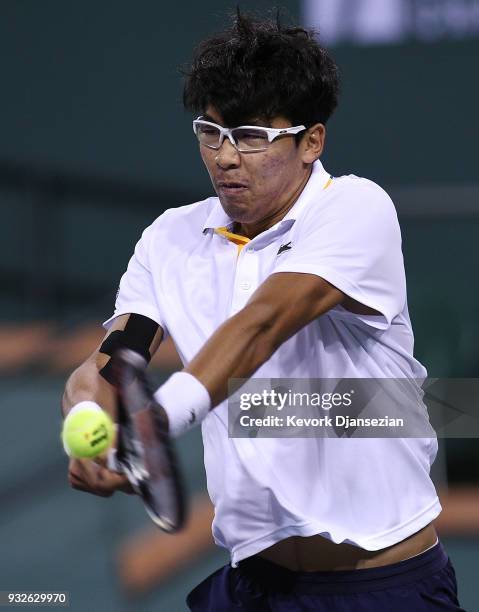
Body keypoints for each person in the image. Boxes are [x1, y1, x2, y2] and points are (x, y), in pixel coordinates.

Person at [62, 13, 464, 611]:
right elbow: (115, 361)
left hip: (385, 586)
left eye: (251, 136)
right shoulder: (169, 238)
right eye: (210, 132)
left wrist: (154, 423)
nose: (225, 157)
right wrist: (93, 419)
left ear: (311, 142)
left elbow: (264, 323)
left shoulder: (356, 208)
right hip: (254, 585)